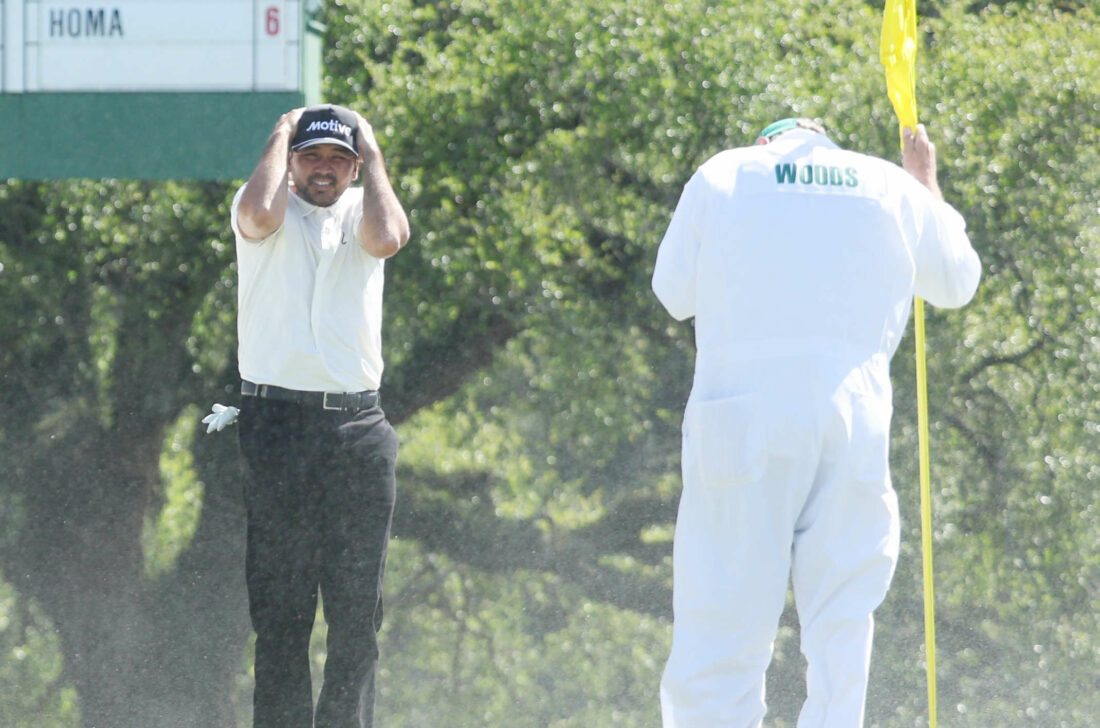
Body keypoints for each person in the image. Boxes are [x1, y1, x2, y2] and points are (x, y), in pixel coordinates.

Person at [651, 117, 980, 727]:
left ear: (764, 143)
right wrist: (926, 182)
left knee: (722, 626)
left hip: (739, 423)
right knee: (840, 628)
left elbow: (673, 293)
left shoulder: (723, 173)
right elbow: (958, 282)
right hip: (852, 420)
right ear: (829, 140)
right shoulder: (890, 184)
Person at [229, 103, 410, 728]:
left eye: (339, 159)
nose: (325, 170)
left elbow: (389, 238)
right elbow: (259, 214)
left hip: (356, 430)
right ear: (293, 161)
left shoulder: (366, 211)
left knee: (357, 614)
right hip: (276, 425)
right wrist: (282, 131)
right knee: (281, 614)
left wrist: (376, 155)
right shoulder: (263, 205)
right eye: (313, 157)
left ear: (356, 167)